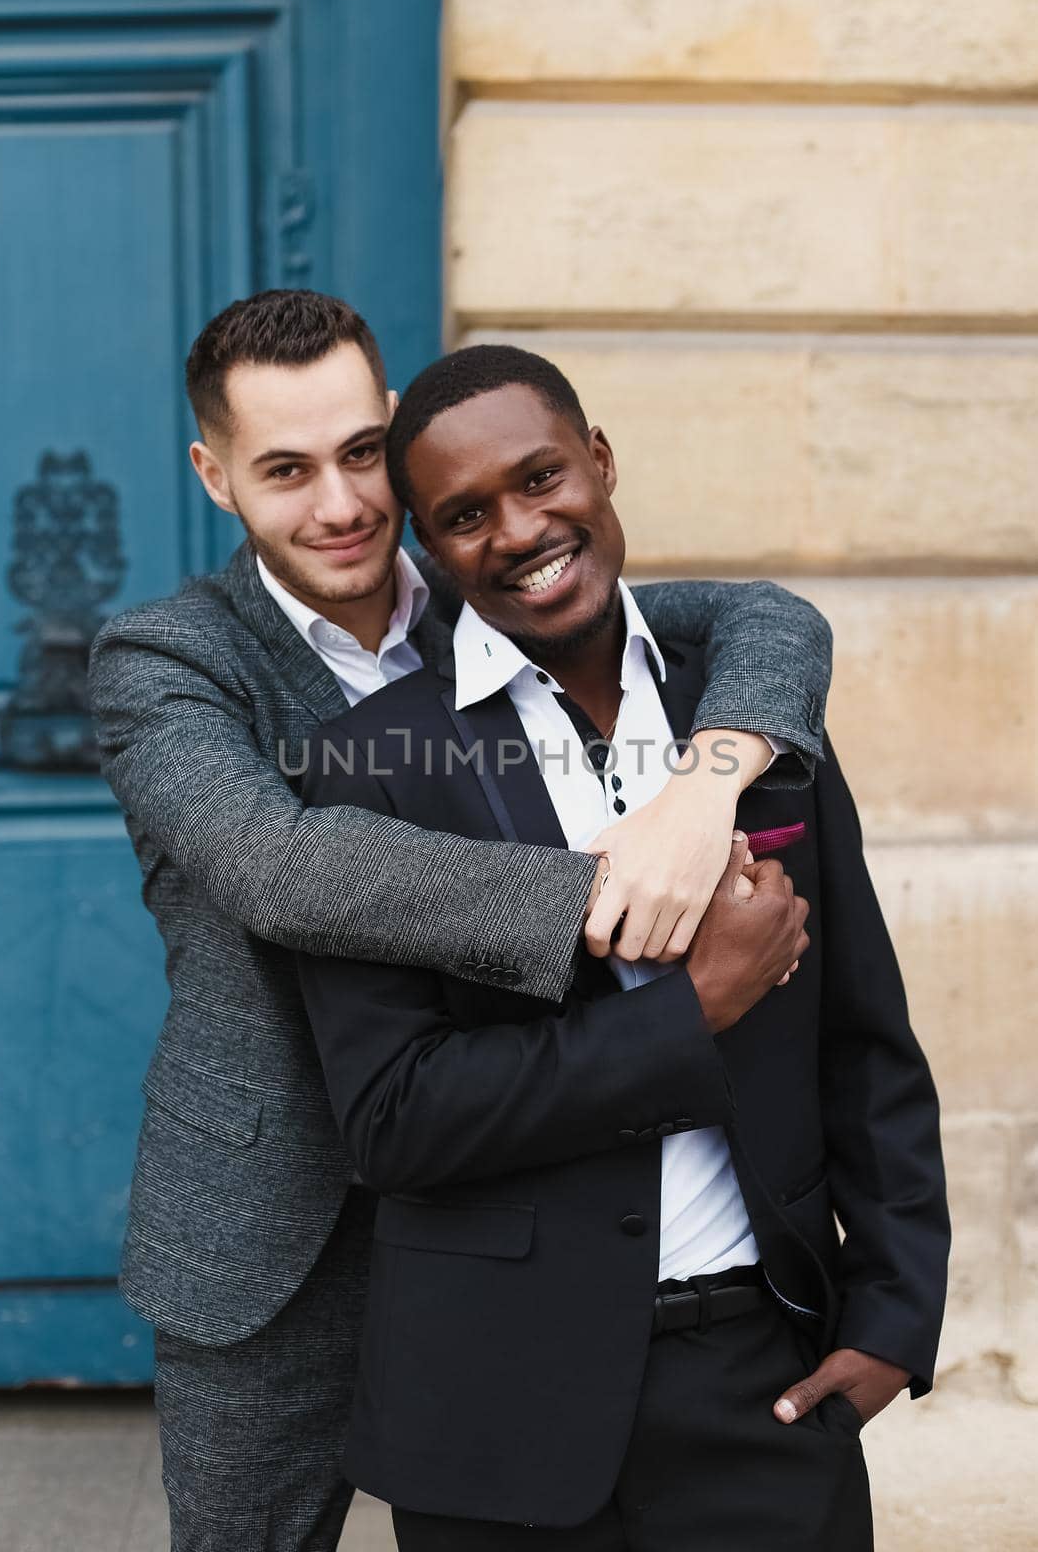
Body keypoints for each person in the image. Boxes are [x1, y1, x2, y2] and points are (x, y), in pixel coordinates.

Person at [89, 291, 833, 1551]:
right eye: (284, 470)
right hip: (272, 1234)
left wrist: (704, 785)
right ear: (216, 478)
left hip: (507, 1197)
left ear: (392, 427)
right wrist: (615, 883)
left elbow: (772, 615)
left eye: (359, 454)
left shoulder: (490, 576)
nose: (339, 505)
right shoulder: (166, 662)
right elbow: (280, 866)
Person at [297, 344, 950, 1551]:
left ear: (597, 461)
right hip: (493, 1402)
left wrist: (896, 1316)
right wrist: (681, 1013)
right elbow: (394, 1117)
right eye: (463, 515)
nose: (518, 528)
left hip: (761, 1377)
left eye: (541, 476)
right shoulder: (371, 765)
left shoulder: (749, 719)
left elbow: (865, 1041)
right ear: (429, 553)